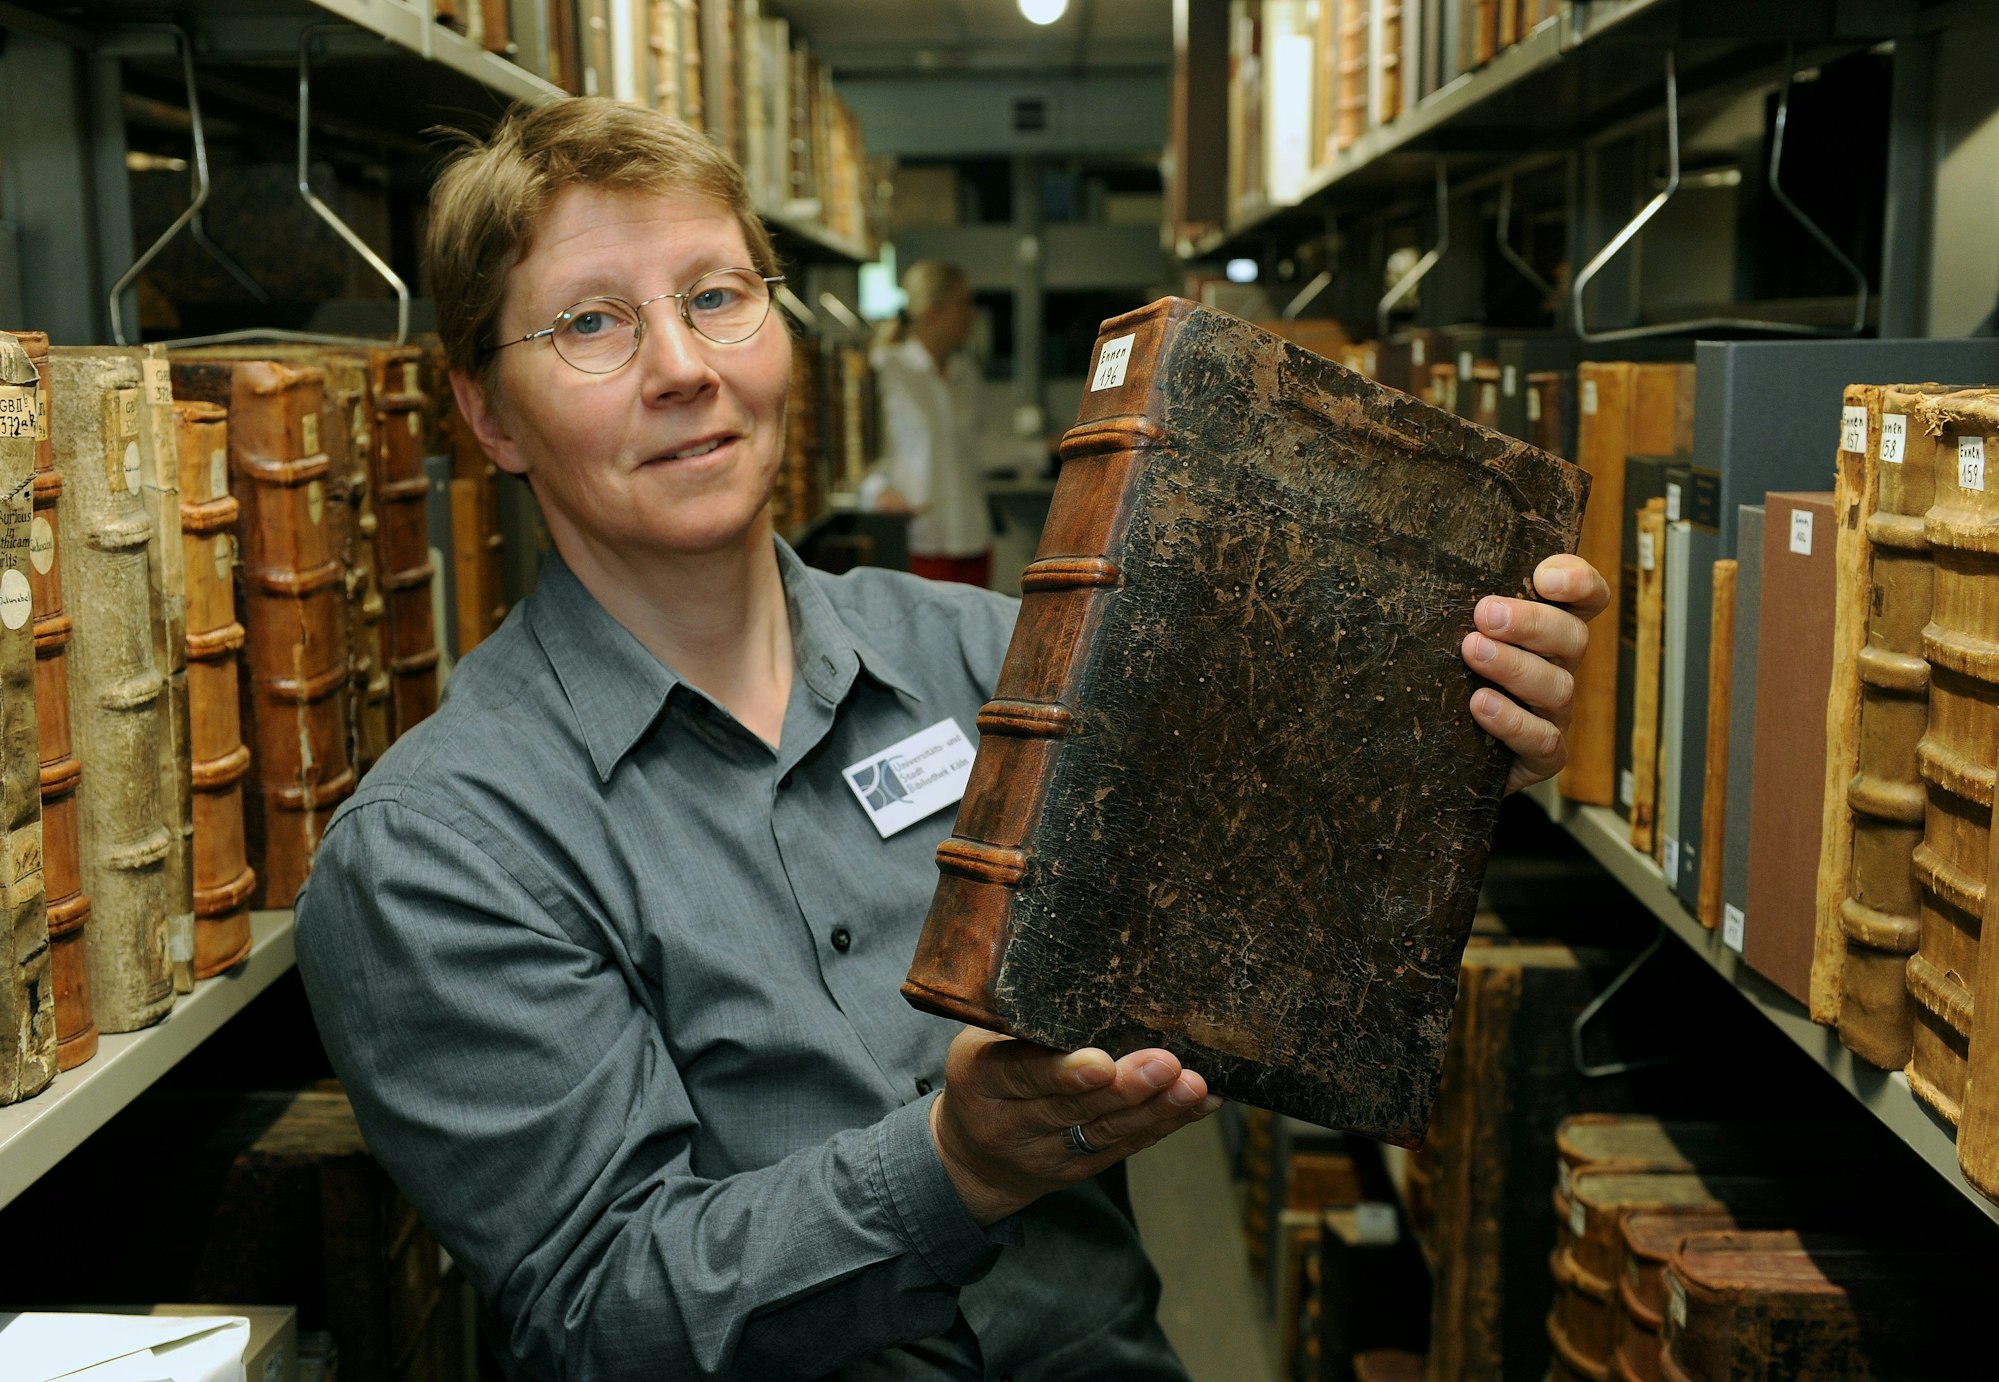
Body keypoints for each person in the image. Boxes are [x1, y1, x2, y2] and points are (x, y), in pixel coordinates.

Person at [293, 98, 1607, 1382]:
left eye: (714, 295)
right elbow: (596, 1309)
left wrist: (1441, 736)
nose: (682, 367)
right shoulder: (437, 850)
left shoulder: (1001, 662)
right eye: (591, 322)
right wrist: (955, 1167)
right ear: (487, 415)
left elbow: (1261, 946)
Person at [866, 260, 993, 587]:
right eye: (962, 303)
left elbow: (979, 447)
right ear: (931, 312)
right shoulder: (887, 369)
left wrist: (1048, 448)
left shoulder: (966, 373)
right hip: (919, 540)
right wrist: (876, 491)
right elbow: (862, 453)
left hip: (972, 538)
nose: (972, 314)